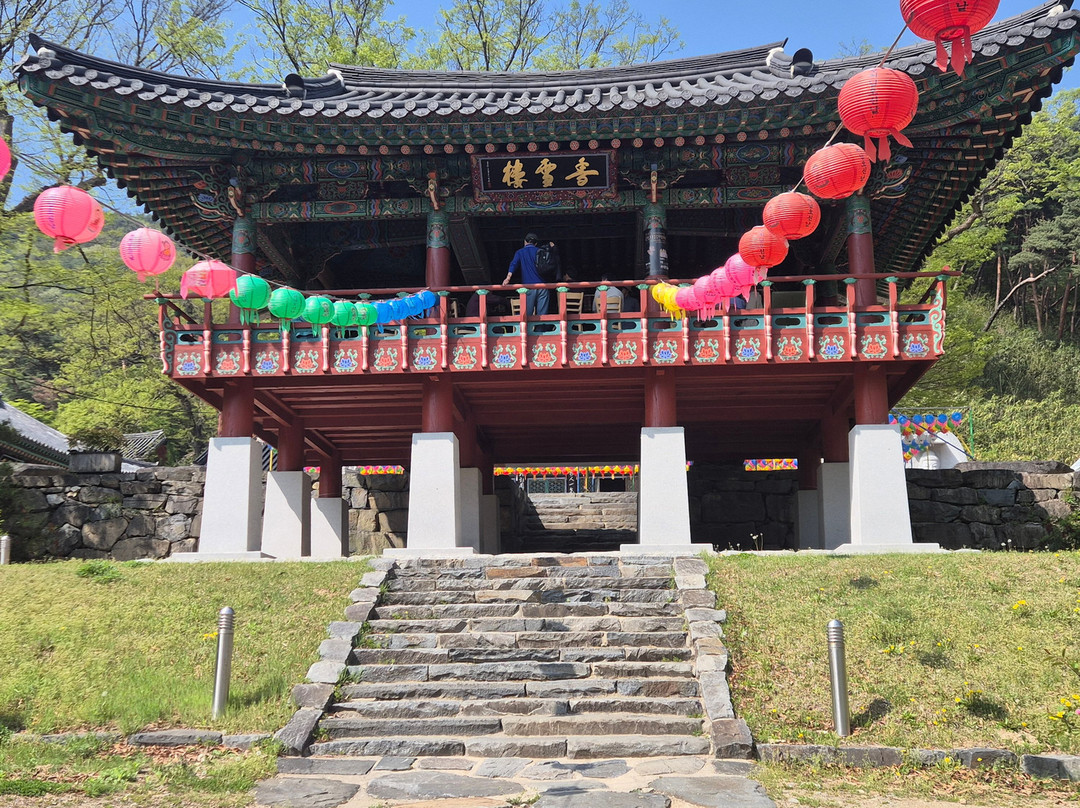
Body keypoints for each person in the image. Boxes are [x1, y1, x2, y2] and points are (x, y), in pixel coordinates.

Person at [502, 232, 551, 316]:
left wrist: (508, 278)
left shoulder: (520, 252)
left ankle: (526, 329)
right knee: (542, 315)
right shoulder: (540, 251)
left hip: (528, 287)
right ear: (535, 243)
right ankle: (541, 329)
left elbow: (513, 264)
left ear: (525, 241)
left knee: (527, 315)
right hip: (543, 286)